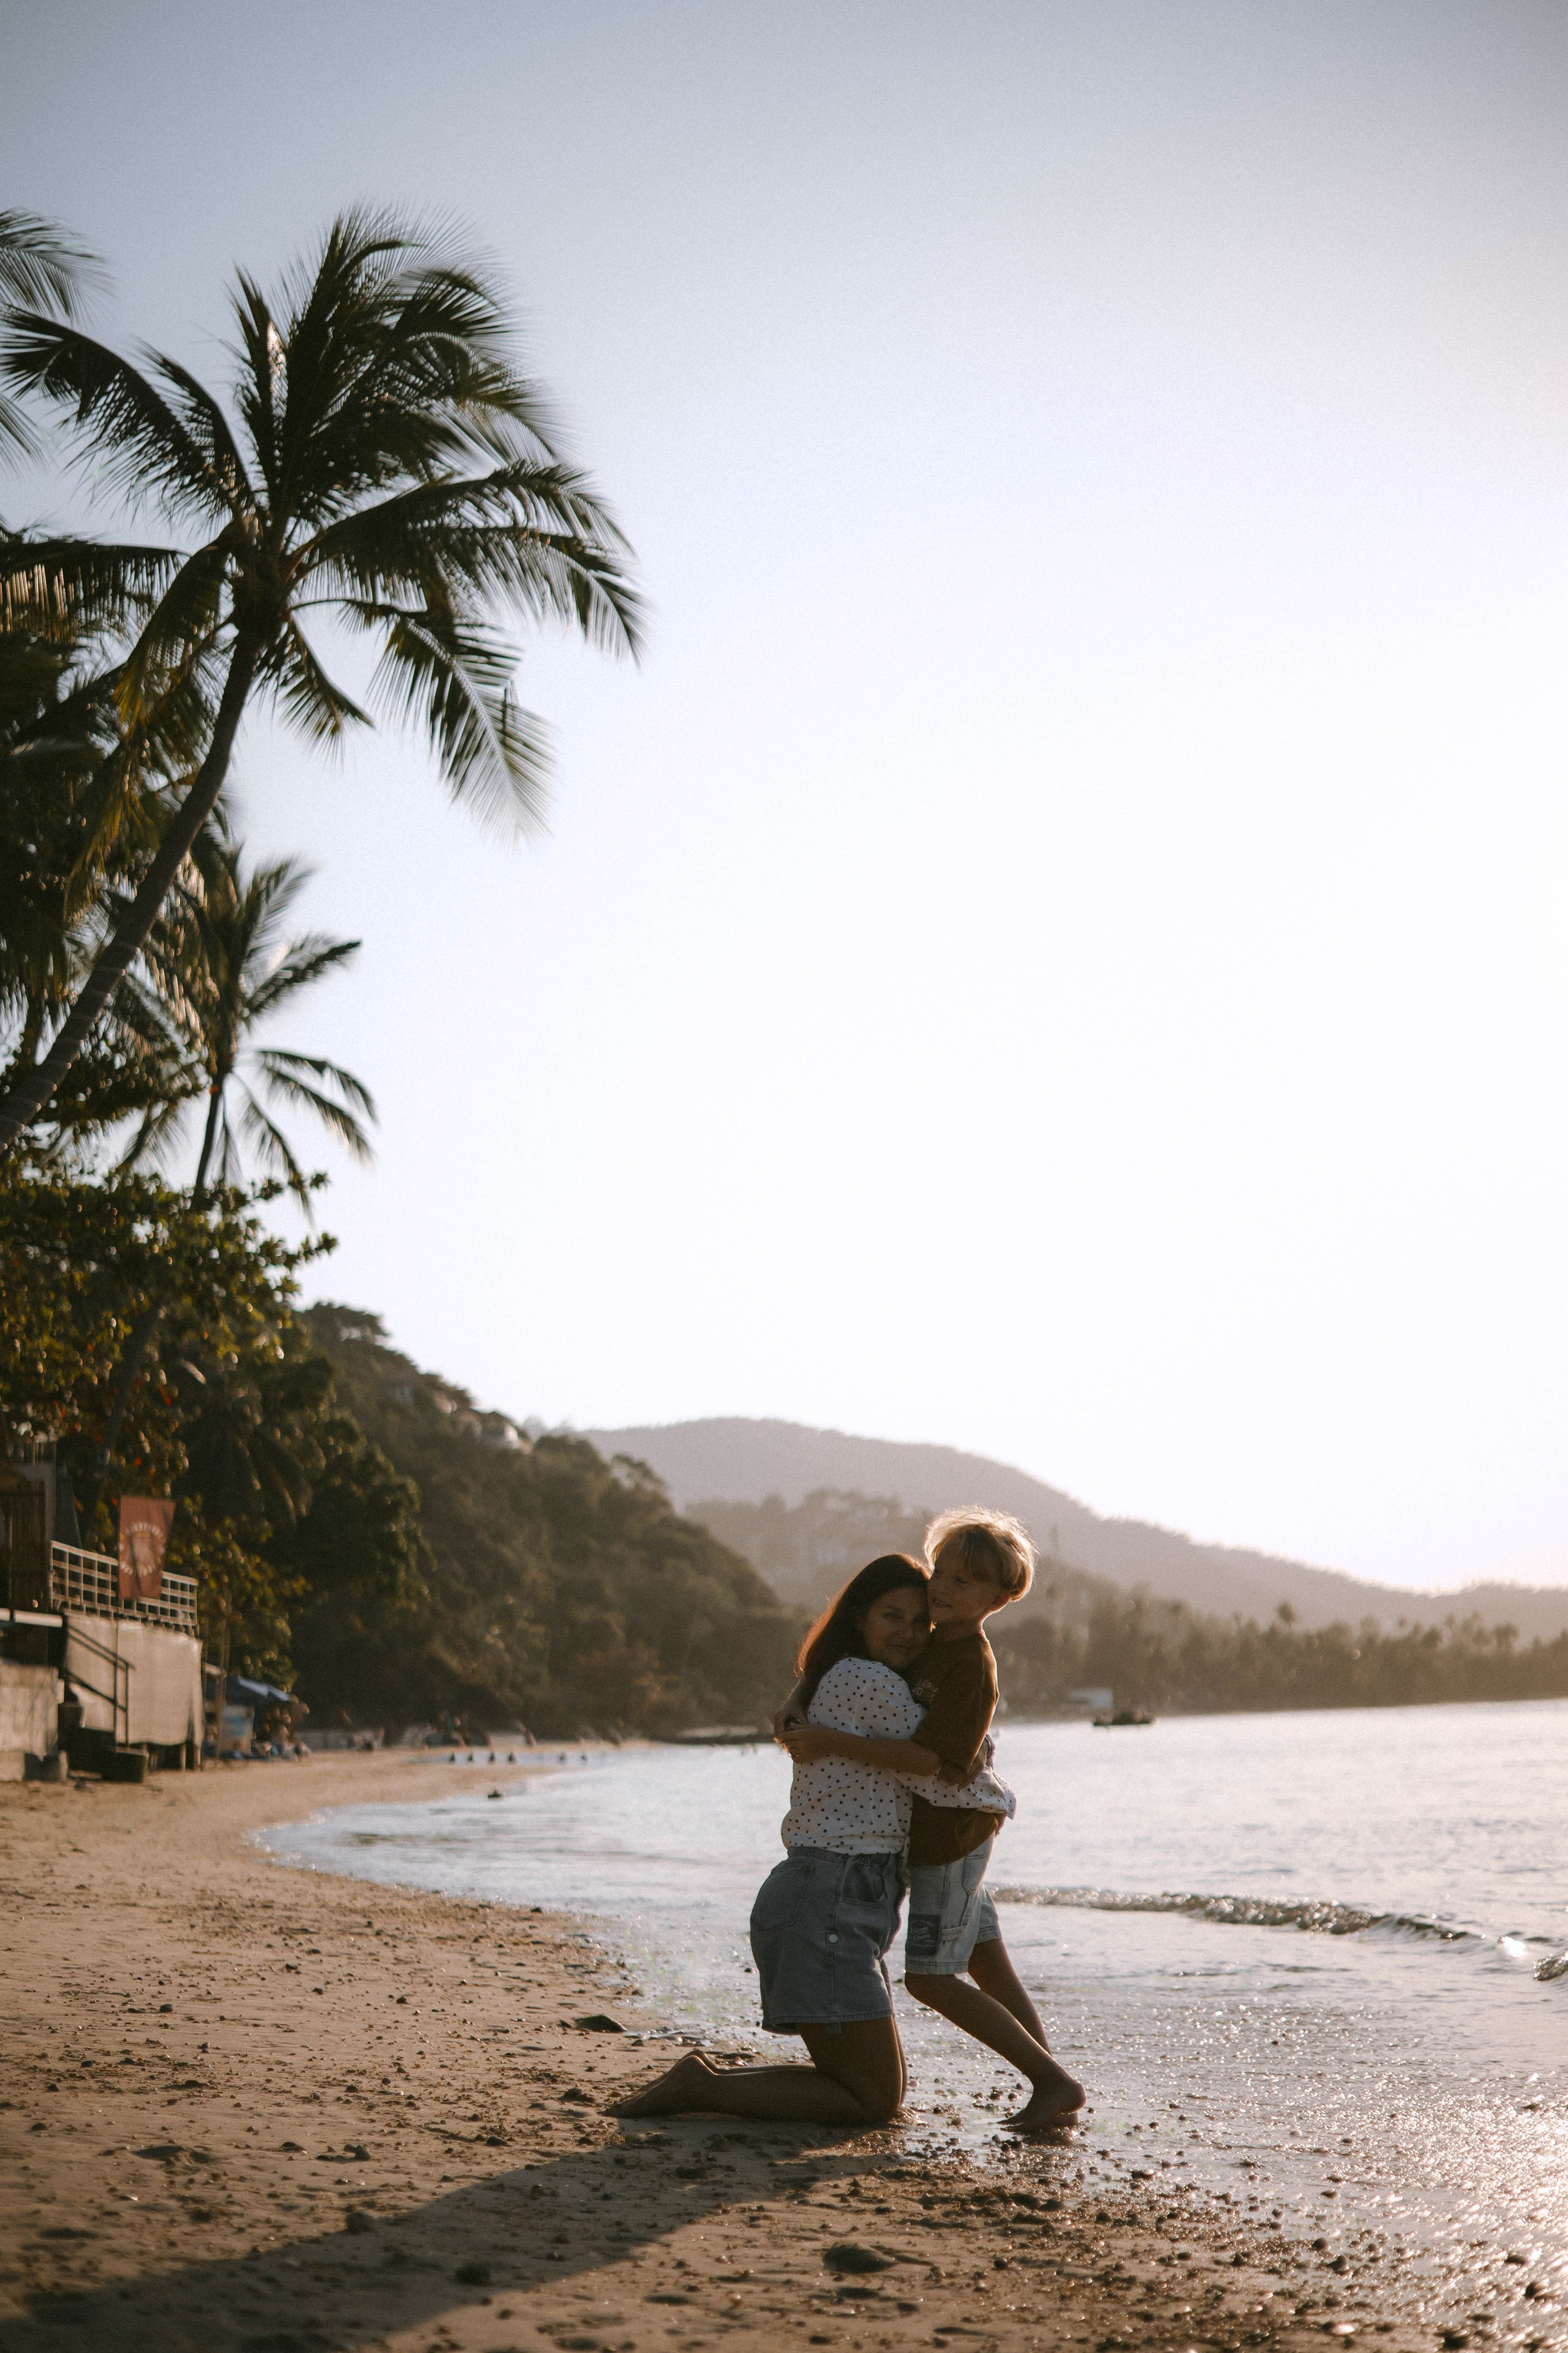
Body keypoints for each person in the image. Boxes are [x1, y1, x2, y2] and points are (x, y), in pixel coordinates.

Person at [612, 1552, 998, 2126]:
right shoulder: (864, 1679)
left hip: (837, 1899)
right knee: (871, 2100)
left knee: (873, 2090)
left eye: (922, 1622)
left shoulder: (852, 1675)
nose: (909, 1633)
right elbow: (944, 1762)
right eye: (892, 1616)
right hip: (829, 1900)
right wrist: (987, 1773)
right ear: (859, 1619)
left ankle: (702, 2081)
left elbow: (930, 1747)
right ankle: (702, 2087)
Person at [780, 1508, 1085, 2132]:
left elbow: (931, 1761)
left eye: (964, 1583)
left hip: (948, 1840)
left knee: (930, 1978)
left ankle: (1054, 2083)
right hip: (940, 1834)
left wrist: (828, 1739)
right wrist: (796, 1707)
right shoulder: (924, 1641)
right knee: (988, 1964)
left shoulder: (969, 1662)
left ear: (1000, 1599)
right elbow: (844, 1672)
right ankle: (1052, 2083)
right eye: (941, 1572)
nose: (942, 1588)